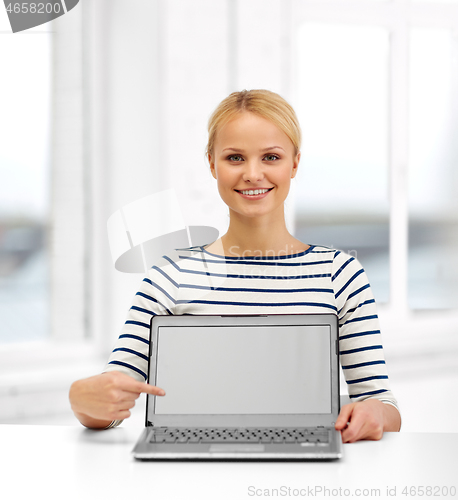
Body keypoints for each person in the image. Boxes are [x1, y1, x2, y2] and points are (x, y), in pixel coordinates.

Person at [69, 89, 401, 442]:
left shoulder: (339, 274)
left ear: (295, 163)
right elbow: (110, 401)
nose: (253, 174)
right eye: (235, 158)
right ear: (212, 163)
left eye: (271, 157)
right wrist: (81, 400)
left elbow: (382, 403)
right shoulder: (170, 276)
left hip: (303, 470)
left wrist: (373, 413)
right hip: (191, 473)